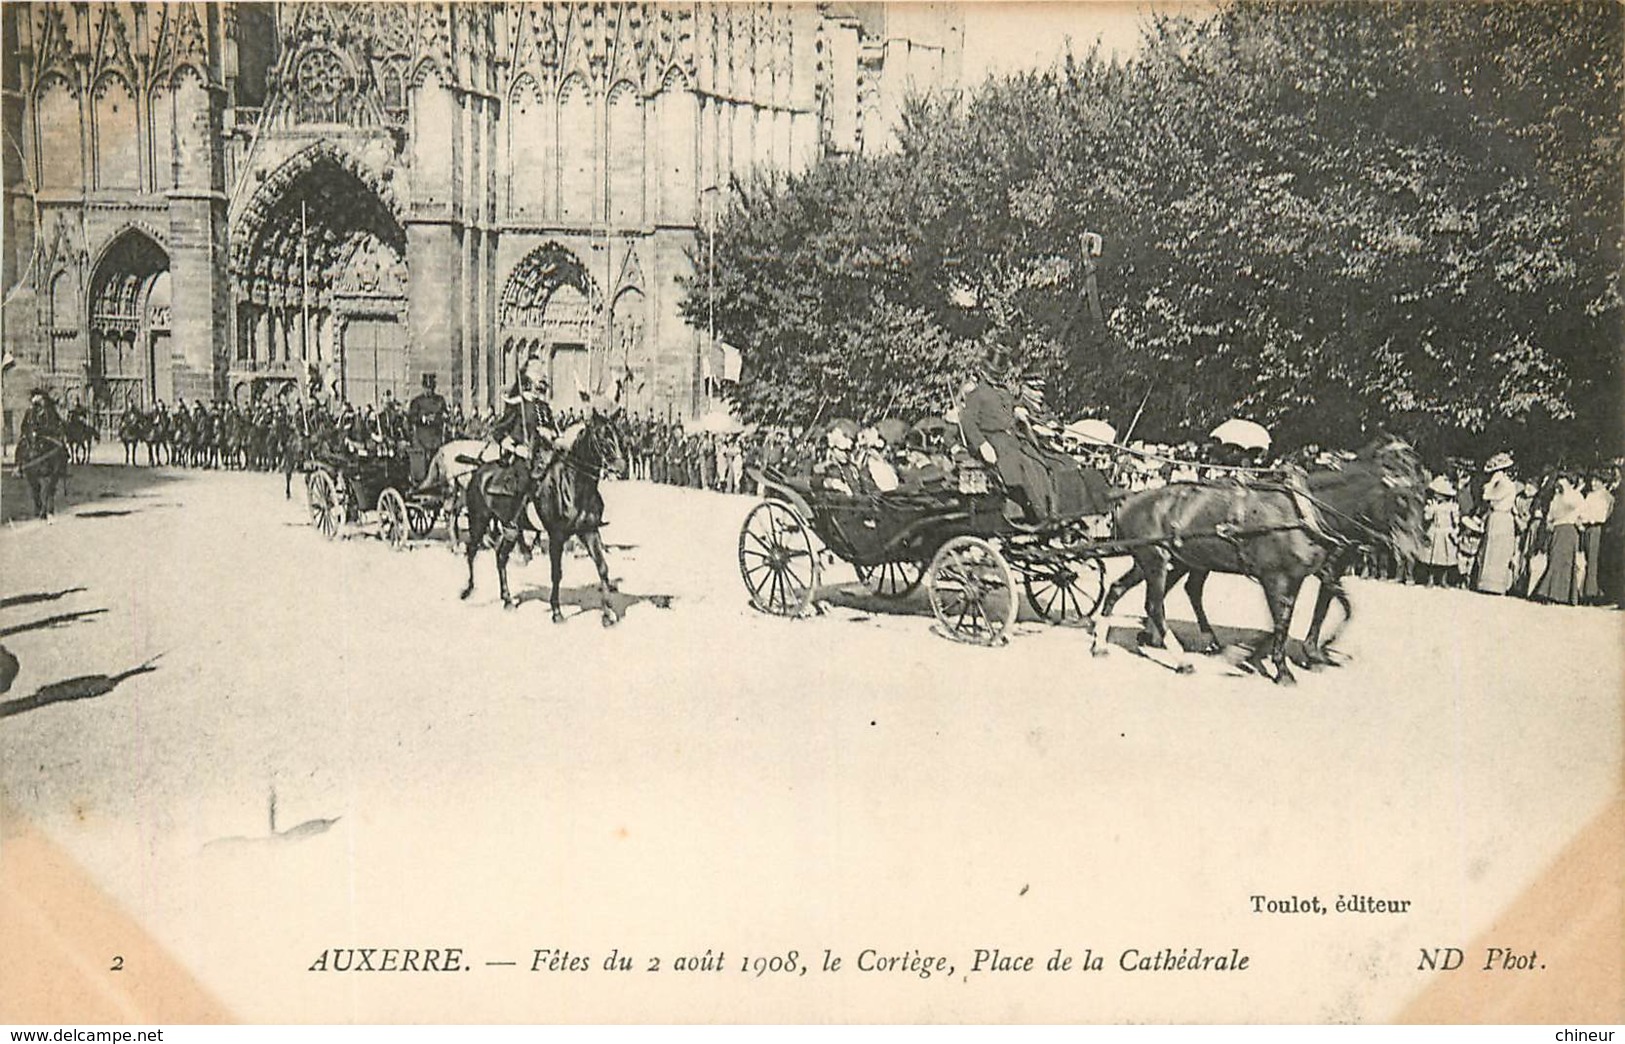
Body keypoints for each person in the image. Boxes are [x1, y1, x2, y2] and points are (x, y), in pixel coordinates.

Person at [488, 356, 556, 538]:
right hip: (522, 456)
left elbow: (552, 429)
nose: (540, 379)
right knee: (524, 482)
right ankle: (512, 522)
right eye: (536, 373)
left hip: (543, 456)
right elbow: (498, 432)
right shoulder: (518, 404)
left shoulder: (543, 407)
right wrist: (515, 448)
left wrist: (551, 434)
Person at [1532, 473, 1585, 605]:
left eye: (1564, 482)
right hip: (1557, 530)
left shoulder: (1576, 496)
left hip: (1569, 529)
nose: (1560, 485)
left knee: (1566, 563)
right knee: (1554, 560)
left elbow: (1579, 511)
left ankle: (1563, 595)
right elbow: (1550, 515)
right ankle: (1551, 593)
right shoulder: (1556, 498)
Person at [1474, 452, 1520, 594]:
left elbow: (1488, 496)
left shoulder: (1506, 485)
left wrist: (1492, 483)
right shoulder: (1500, 484)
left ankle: (1496, 584)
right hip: (1495, 517)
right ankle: (1487, 583)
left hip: (1502, 517)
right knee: (1491, 547)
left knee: (1499, 550)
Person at [406, 372, 448, 484]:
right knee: (425, 463)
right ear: (423, 387)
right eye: (427, 388)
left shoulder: (440, 400)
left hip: (437, 438)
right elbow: (411, 418)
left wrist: (439, 418)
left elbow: (445, 415)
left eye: (431, 388)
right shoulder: (416, 402)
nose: (429, 391)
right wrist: (423, 419)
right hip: (422, 439)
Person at [1420, 475, 1460, 588]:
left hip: (1446, 531)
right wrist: (1430, 508)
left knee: (1445, 557)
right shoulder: (1433, 505)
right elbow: (1427, 517)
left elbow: (1456, 520)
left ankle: (1443, 579)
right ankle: (1431, 579)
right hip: (1435, 530)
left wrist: (1455, 528)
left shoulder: (1452, 506)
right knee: (1432, 557)